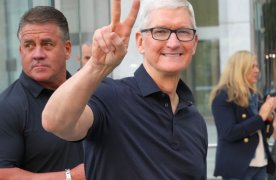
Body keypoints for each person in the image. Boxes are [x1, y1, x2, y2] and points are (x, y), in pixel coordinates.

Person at [42, 0, 208, 179]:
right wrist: (96, 66)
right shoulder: (110, 97)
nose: (173, 43)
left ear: (195, 43)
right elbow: (54, 122)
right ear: (140, 42)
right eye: (161, 32)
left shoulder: (195, 121)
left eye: (183, 32)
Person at [0, 6, 85, 179]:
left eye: (47, 44)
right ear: (21, 51)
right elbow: (4, 174)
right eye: (29, 46)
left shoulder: (90, 92)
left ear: (67, 49)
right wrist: (72, 176)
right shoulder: (7, 106)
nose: (37, 54)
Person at [210, 50, 276, 179]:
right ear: (240, 69)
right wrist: (260, 117)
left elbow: (266, 134)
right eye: (253, 66)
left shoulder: (254, 95)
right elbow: (229, 133)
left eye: (257, 66)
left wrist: (268, 118)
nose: (257, 70)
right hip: (238, 168)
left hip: (261, 164)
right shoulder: (223, 96)